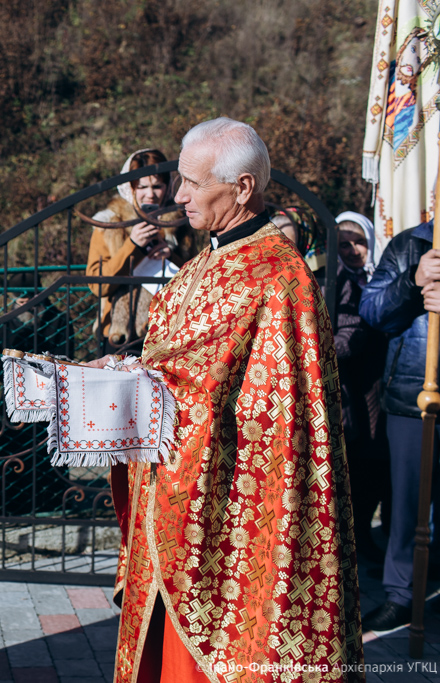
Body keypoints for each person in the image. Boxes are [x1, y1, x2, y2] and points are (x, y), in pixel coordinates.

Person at [93, 118, 361, 680]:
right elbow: (173, 368)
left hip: (231, 516)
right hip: (168, 495)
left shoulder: (280, 277)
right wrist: (119, 376)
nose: (179, 196)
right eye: (180, 181)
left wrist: (142, 389)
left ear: (242, 188)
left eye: (193, 183)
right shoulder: (198, 266)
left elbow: (275, 419)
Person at [359, 218, 440, 632]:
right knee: (407, 503)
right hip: (412, 393)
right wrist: (413, 281)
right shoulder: (411, 244)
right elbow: (373, 311)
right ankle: (401, 594)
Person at [85, 149, 205, 349]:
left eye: (157, 186)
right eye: (142, 187)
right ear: (130, 188)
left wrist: (171, 256)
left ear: (167, 187)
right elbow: (98, 286)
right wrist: (132, 245)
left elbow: (197, 279)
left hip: (168, 330)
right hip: (117, 332)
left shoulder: (181, 222)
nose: (150, 194)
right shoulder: (108, 224)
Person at [0, 271, 73, 515]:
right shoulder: (5, 323)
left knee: (49, 446)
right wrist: (12, 380)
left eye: (29, 298)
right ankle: (13, 505)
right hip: (15, 395)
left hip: (49, 395)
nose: (24, 303)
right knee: (13, 448)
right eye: (19, 299)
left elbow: (66, 355)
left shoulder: (58, 319)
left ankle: (53, 503)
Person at [329, 212, 390, 566]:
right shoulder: (334, 278)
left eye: (359, 242)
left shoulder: (379, 277)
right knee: (353, 459)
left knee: (373, 460)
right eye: (344, 244)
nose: (352, 250)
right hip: (348, 382)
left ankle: (363, 533)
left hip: (374, 380)